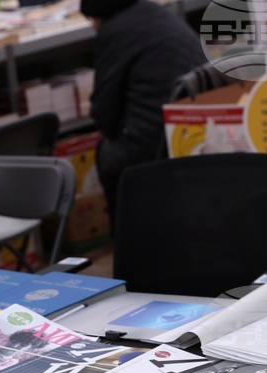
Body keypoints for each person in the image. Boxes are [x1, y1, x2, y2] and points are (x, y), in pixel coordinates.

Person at [81, 0, 207, 222]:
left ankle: (127, 237)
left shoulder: (113, 32)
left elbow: (104, 113)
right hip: (194, 131)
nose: (92, 26)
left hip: (155, 143)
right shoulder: (157, 13)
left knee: (107, 156)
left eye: (91, 20)